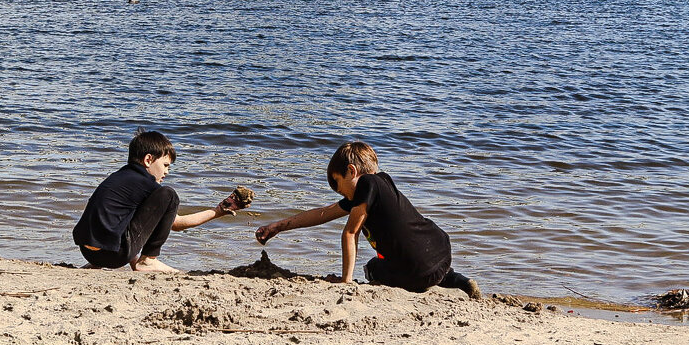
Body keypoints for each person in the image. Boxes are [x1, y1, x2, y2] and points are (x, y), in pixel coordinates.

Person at [255, 141, 481, 298]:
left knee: (373, 267)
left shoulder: (367, 184)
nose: (340, 193)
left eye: (339, 185)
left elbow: (350, 233)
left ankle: (423, 281)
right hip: (441, 254)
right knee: (419, 265)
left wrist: (346, 280)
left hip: (414, 272)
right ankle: (459, 281)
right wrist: (278, 226)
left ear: (351, 172)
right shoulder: (380, 189)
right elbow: (323, 213)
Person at [73, 129, 243, 272]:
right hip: (112, 256)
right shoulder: (148, 185)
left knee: (130, 212)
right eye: (166, 165)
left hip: (87, 251)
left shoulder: (120, 177)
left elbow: (124, 221)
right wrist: (218, 211)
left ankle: (111, 262)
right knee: (169, 195)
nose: (167, 172)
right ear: (148, 160)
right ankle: (148, 261)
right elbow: (177, 224)